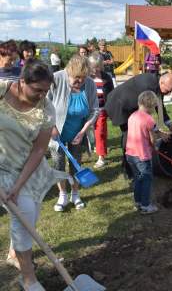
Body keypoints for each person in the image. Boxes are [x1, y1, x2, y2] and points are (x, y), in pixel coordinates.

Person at [0, 59, 72, 290]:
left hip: (30, 166)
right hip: (2, 166)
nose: (42, 96)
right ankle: (29, 278)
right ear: (22, 82)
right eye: (37, 90)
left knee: (32, 215)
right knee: (25, 212)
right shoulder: (1, 91)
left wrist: (19, 184)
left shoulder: (46, 108)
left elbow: (40, 149)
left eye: (46, 91)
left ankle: (14, 252)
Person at [48, 55, 100, 212]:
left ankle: (75, 194)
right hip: (56, 131)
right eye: (77, 77)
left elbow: (95, 111)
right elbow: (43, 104)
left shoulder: (89, 84)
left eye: (83, 77)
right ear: (68, 71)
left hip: (77, 132)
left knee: (76, 164)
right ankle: (62, 195)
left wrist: (83, 131)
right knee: (58, 163)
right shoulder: (56, 79)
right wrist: (50, 126)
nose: (80, 80)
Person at [106, 72, 172, 181]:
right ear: (162, 82)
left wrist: (170, 124)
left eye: (171, 91)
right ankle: (128, 170)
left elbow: (159, 106)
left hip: (131, 107)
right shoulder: (148, 86)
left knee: (134, 136)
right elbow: (144, 116)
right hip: (120, 105)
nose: (169, 94)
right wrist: (158, 132)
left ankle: (131, 163)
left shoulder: (158, 84)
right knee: (129, 136)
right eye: (168, 91)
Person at [126, 91, 159, 214]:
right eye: (154, 107)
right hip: (142, 156)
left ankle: (138, 202)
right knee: (147, 179)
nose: (154, 109)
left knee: (138, 178)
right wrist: (154, 147)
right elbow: (153, 138)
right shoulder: (148, 119)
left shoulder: (132, 116)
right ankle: (146, 206)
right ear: (150, 105)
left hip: (130, 154)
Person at [88, 53, 114, 168]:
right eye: (93, 66)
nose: (95, 69)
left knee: (100, 134)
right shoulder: (86, 76)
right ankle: (75, 156)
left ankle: (101, 158)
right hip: (86, 110)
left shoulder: (106, 77)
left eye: (97, 66)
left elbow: (112, 94)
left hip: (101, 111)